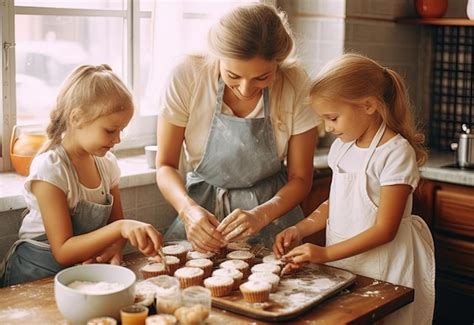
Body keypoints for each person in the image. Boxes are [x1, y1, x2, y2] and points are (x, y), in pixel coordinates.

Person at [273, 53, 435, 324]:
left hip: (384, 269)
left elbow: (385, 229)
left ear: (369, 105)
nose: (328, 127)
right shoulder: (342, 147)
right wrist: (299, 229)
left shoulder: (395, 153)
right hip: (344, 264)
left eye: (333, 118)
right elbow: (336, 203)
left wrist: (323, 254)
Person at [156, 3, 321, 252]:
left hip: (275, 212)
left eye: (262, 78)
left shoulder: (295, 83)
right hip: (204, 215)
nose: (245, 89)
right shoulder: (188, 76)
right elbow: (165, 166)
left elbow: (300, 178)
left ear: (278, 63)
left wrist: (263, 214)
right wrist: (188, 210)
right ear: (217, 56)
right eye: (233, 76)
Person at [0, 64, 163, 287]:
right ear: (77, 118)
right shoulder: (51, 169)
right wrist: (121, 228)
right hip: (34, 278)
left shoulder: (107, 165)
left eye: (121, 130)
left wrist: (114, 248)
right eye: (110, 130)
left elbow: (116, 227)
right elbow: (64, 251)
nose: (118, 140)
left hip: (79, 277)